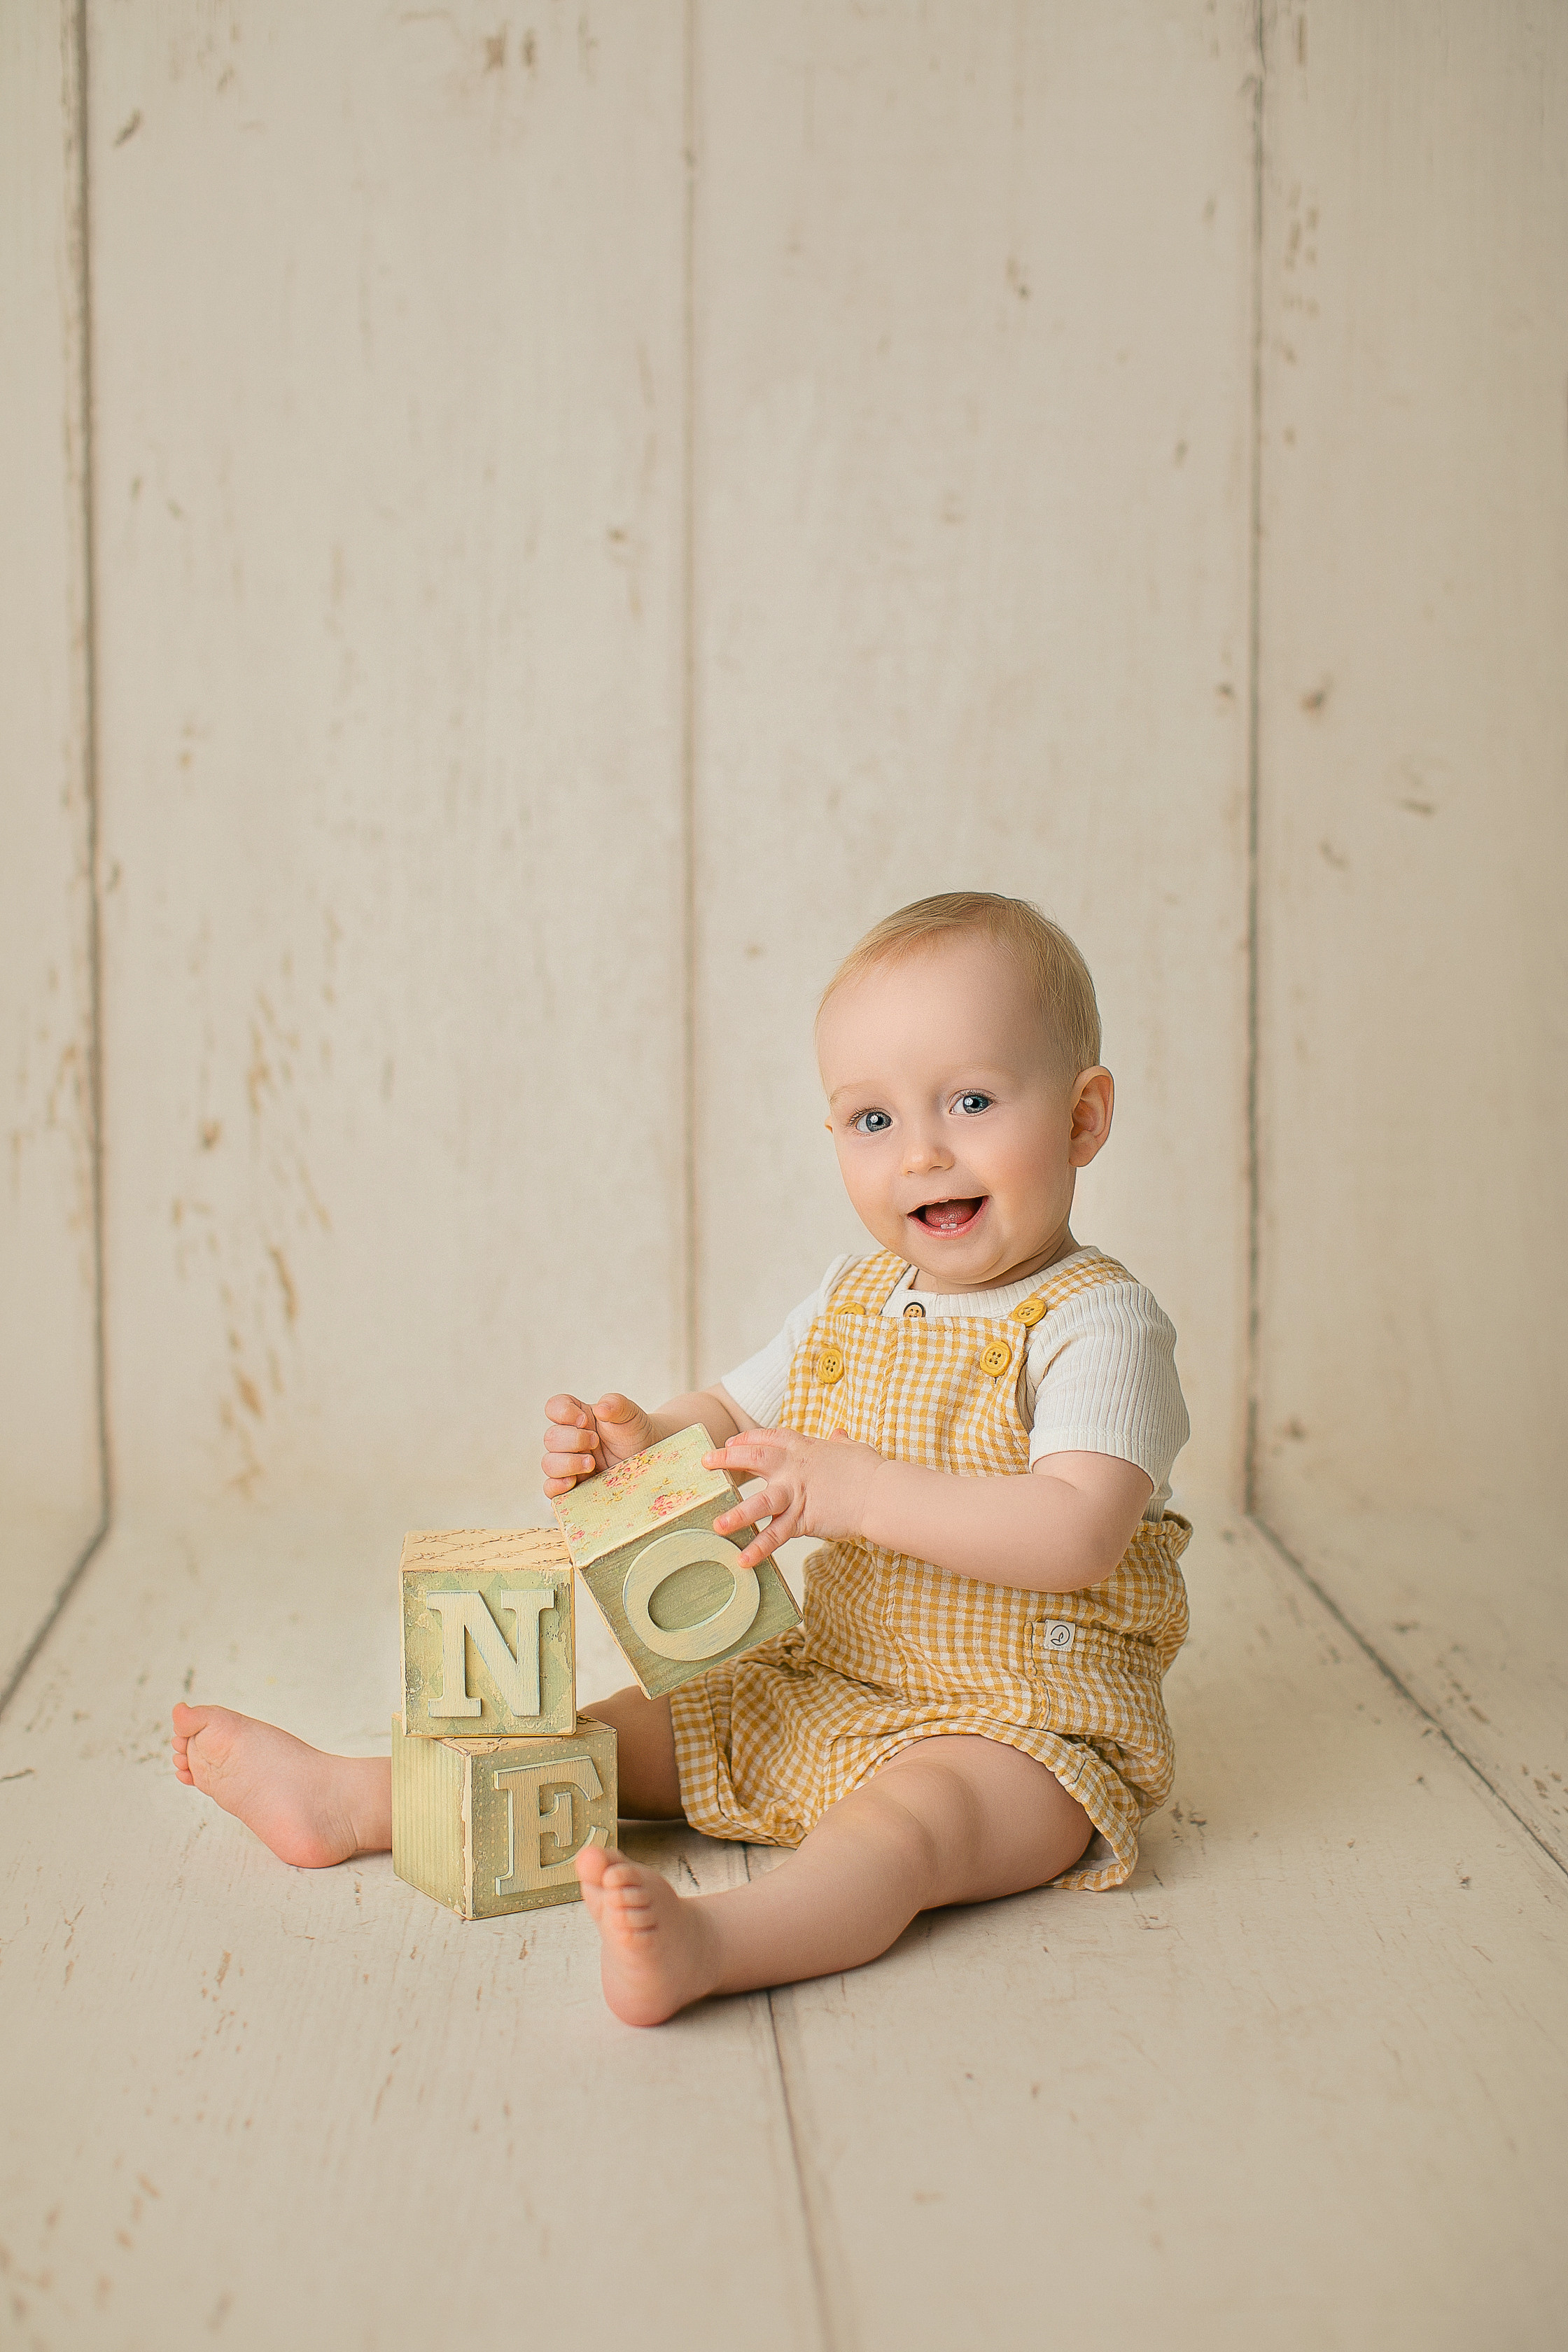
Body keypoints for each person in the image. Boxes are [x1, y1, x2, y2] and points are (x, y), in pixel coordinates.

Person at [173, 892, 1191, 2026]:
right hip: (834, 1679)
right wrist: (643, 1442)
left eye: (972, 1101)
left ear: (1083, 1119)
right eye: (871, 1119)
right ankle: (359, 1801)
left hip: (1021, 1730)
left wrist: (857, 1491)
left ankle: (719, 1942)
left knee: (906, 1830)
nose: (922, 1152)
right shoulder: (852, 1299)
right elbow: (728, 1418)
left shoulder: (1097, 1324)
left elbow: (1074, 1532)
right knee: (627, 1734)